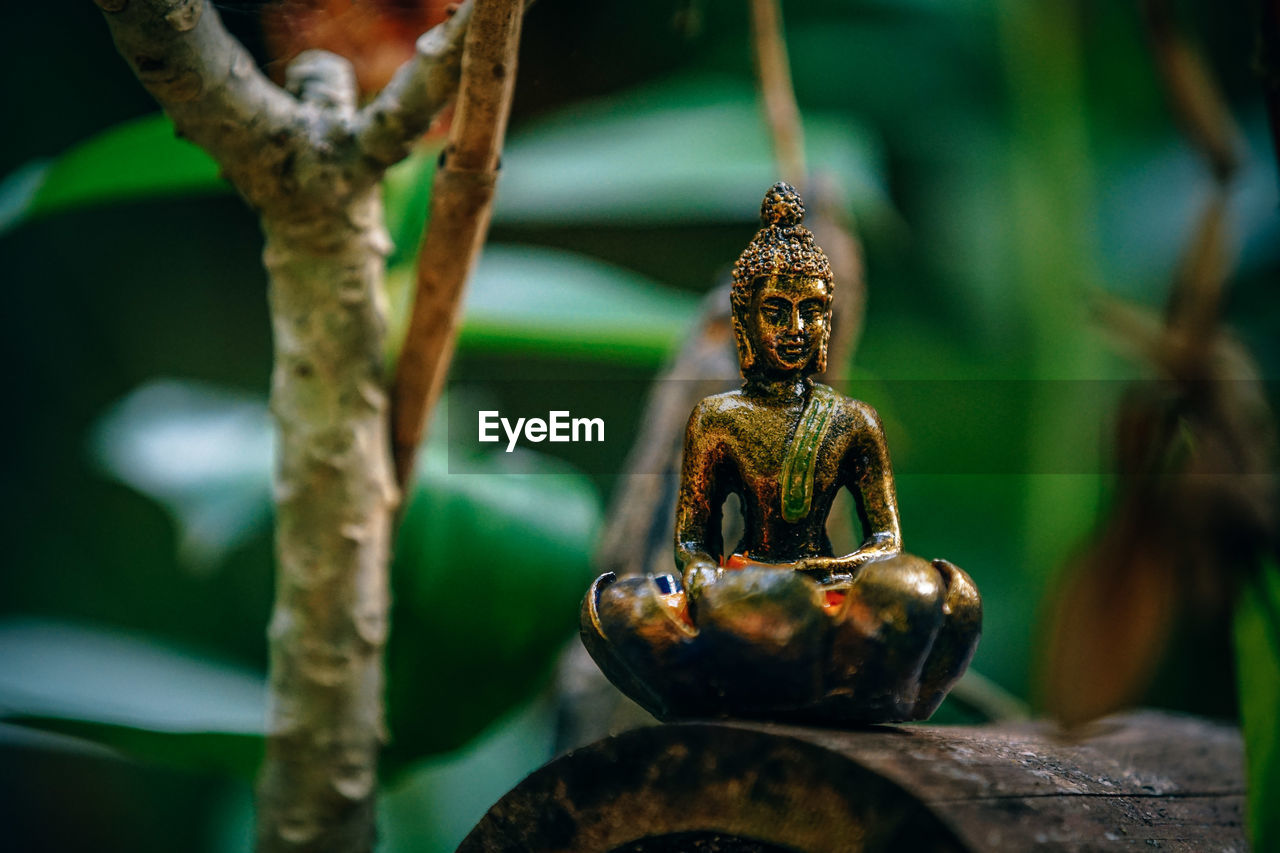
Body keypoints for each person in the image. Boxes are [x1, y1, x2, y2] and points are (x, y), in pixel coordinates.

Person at [581, 183, 981, 723]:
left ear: (828, 321)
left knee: (921, 590)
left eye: (811, 312)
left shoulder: (853, 420)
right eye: (776, 311)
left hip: (829, 585)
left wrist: (832, 566)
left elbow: (886, 542)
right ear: (743, 323)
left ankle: (819, 670)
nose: (795, 330)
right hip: (746, 586)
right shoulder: (717, 417)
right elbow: (695, 541)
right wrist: (701, 573)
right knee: (627, 606)